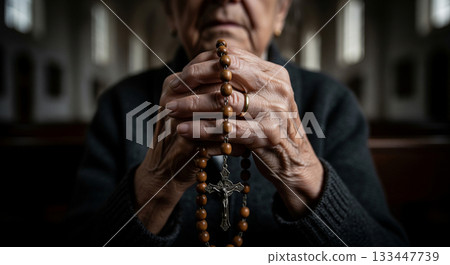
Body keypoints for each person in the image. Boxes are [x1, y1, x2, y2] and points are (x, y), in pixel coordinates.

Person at [66, 0, 408, 246]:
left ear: (281, 11)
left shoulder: (331, 103)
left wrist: (300, 171)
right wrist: (153, 187)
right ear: (171, 12)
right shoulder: (119, 105)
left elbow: (387, 253)